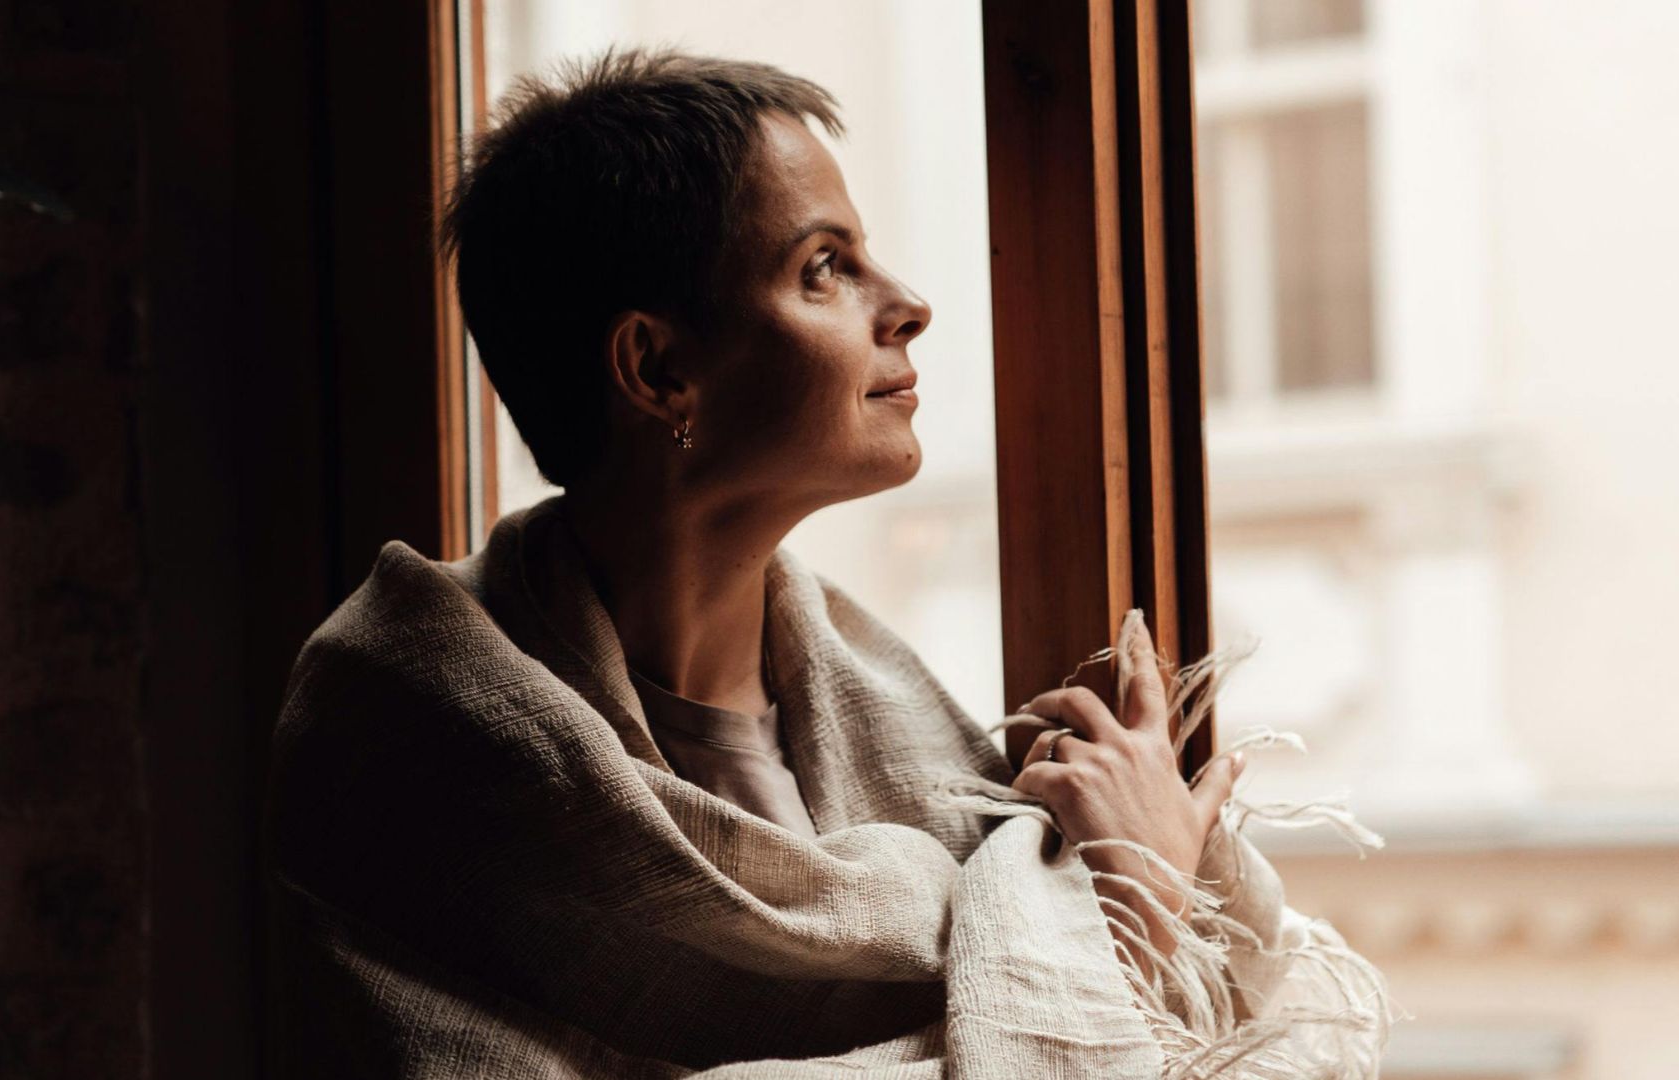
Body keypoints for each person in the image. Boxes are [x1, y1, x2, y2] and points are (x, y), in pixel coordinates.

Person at [267, 47, 1388, 1078]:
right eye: (825, 268)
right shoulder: (413, 726)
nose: (906, 306)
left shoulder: (907, 731)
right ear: (657, 369)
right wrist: (1131, 912)